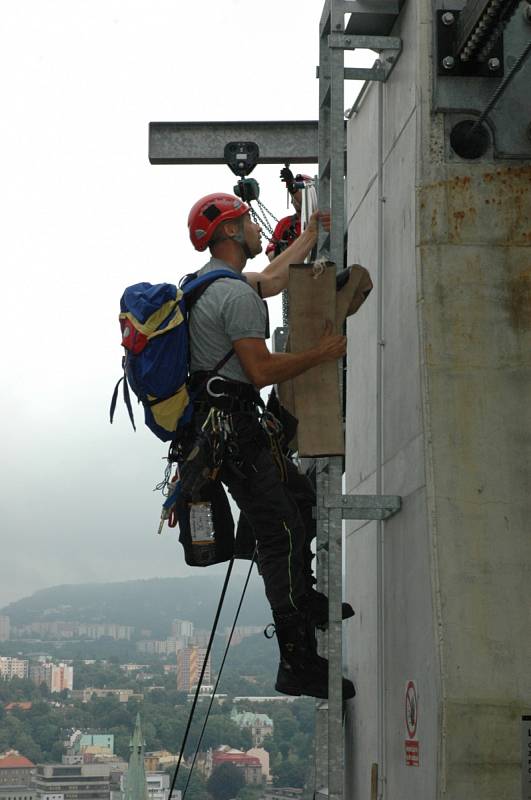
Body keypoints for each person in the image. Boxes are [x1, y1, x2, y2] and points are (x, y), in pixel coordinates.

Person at [185, 192, 355, 700]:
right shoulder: (233, 295)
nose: (259, 230)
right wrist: (318, 354)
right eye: (248, 224)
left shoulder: (214, 284)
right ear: (232, 234)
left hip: (230, 430)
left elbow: (275, 279)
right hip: (233, 432)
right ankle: (296, 660)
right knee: (278, 532)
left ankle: (302, 601)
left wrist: (306, 237)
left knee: (299, 499)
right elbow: (259, 372)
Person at [265, 169, 314, 261]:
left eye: (303, 193)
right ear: (291, 200)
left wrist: (293, 188)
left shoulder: (320, 219)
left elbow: (307, 204)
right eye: (295, 194)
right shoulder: (285, 223)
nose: (298, 197)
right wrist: (278, 253)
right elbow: (271, 254)